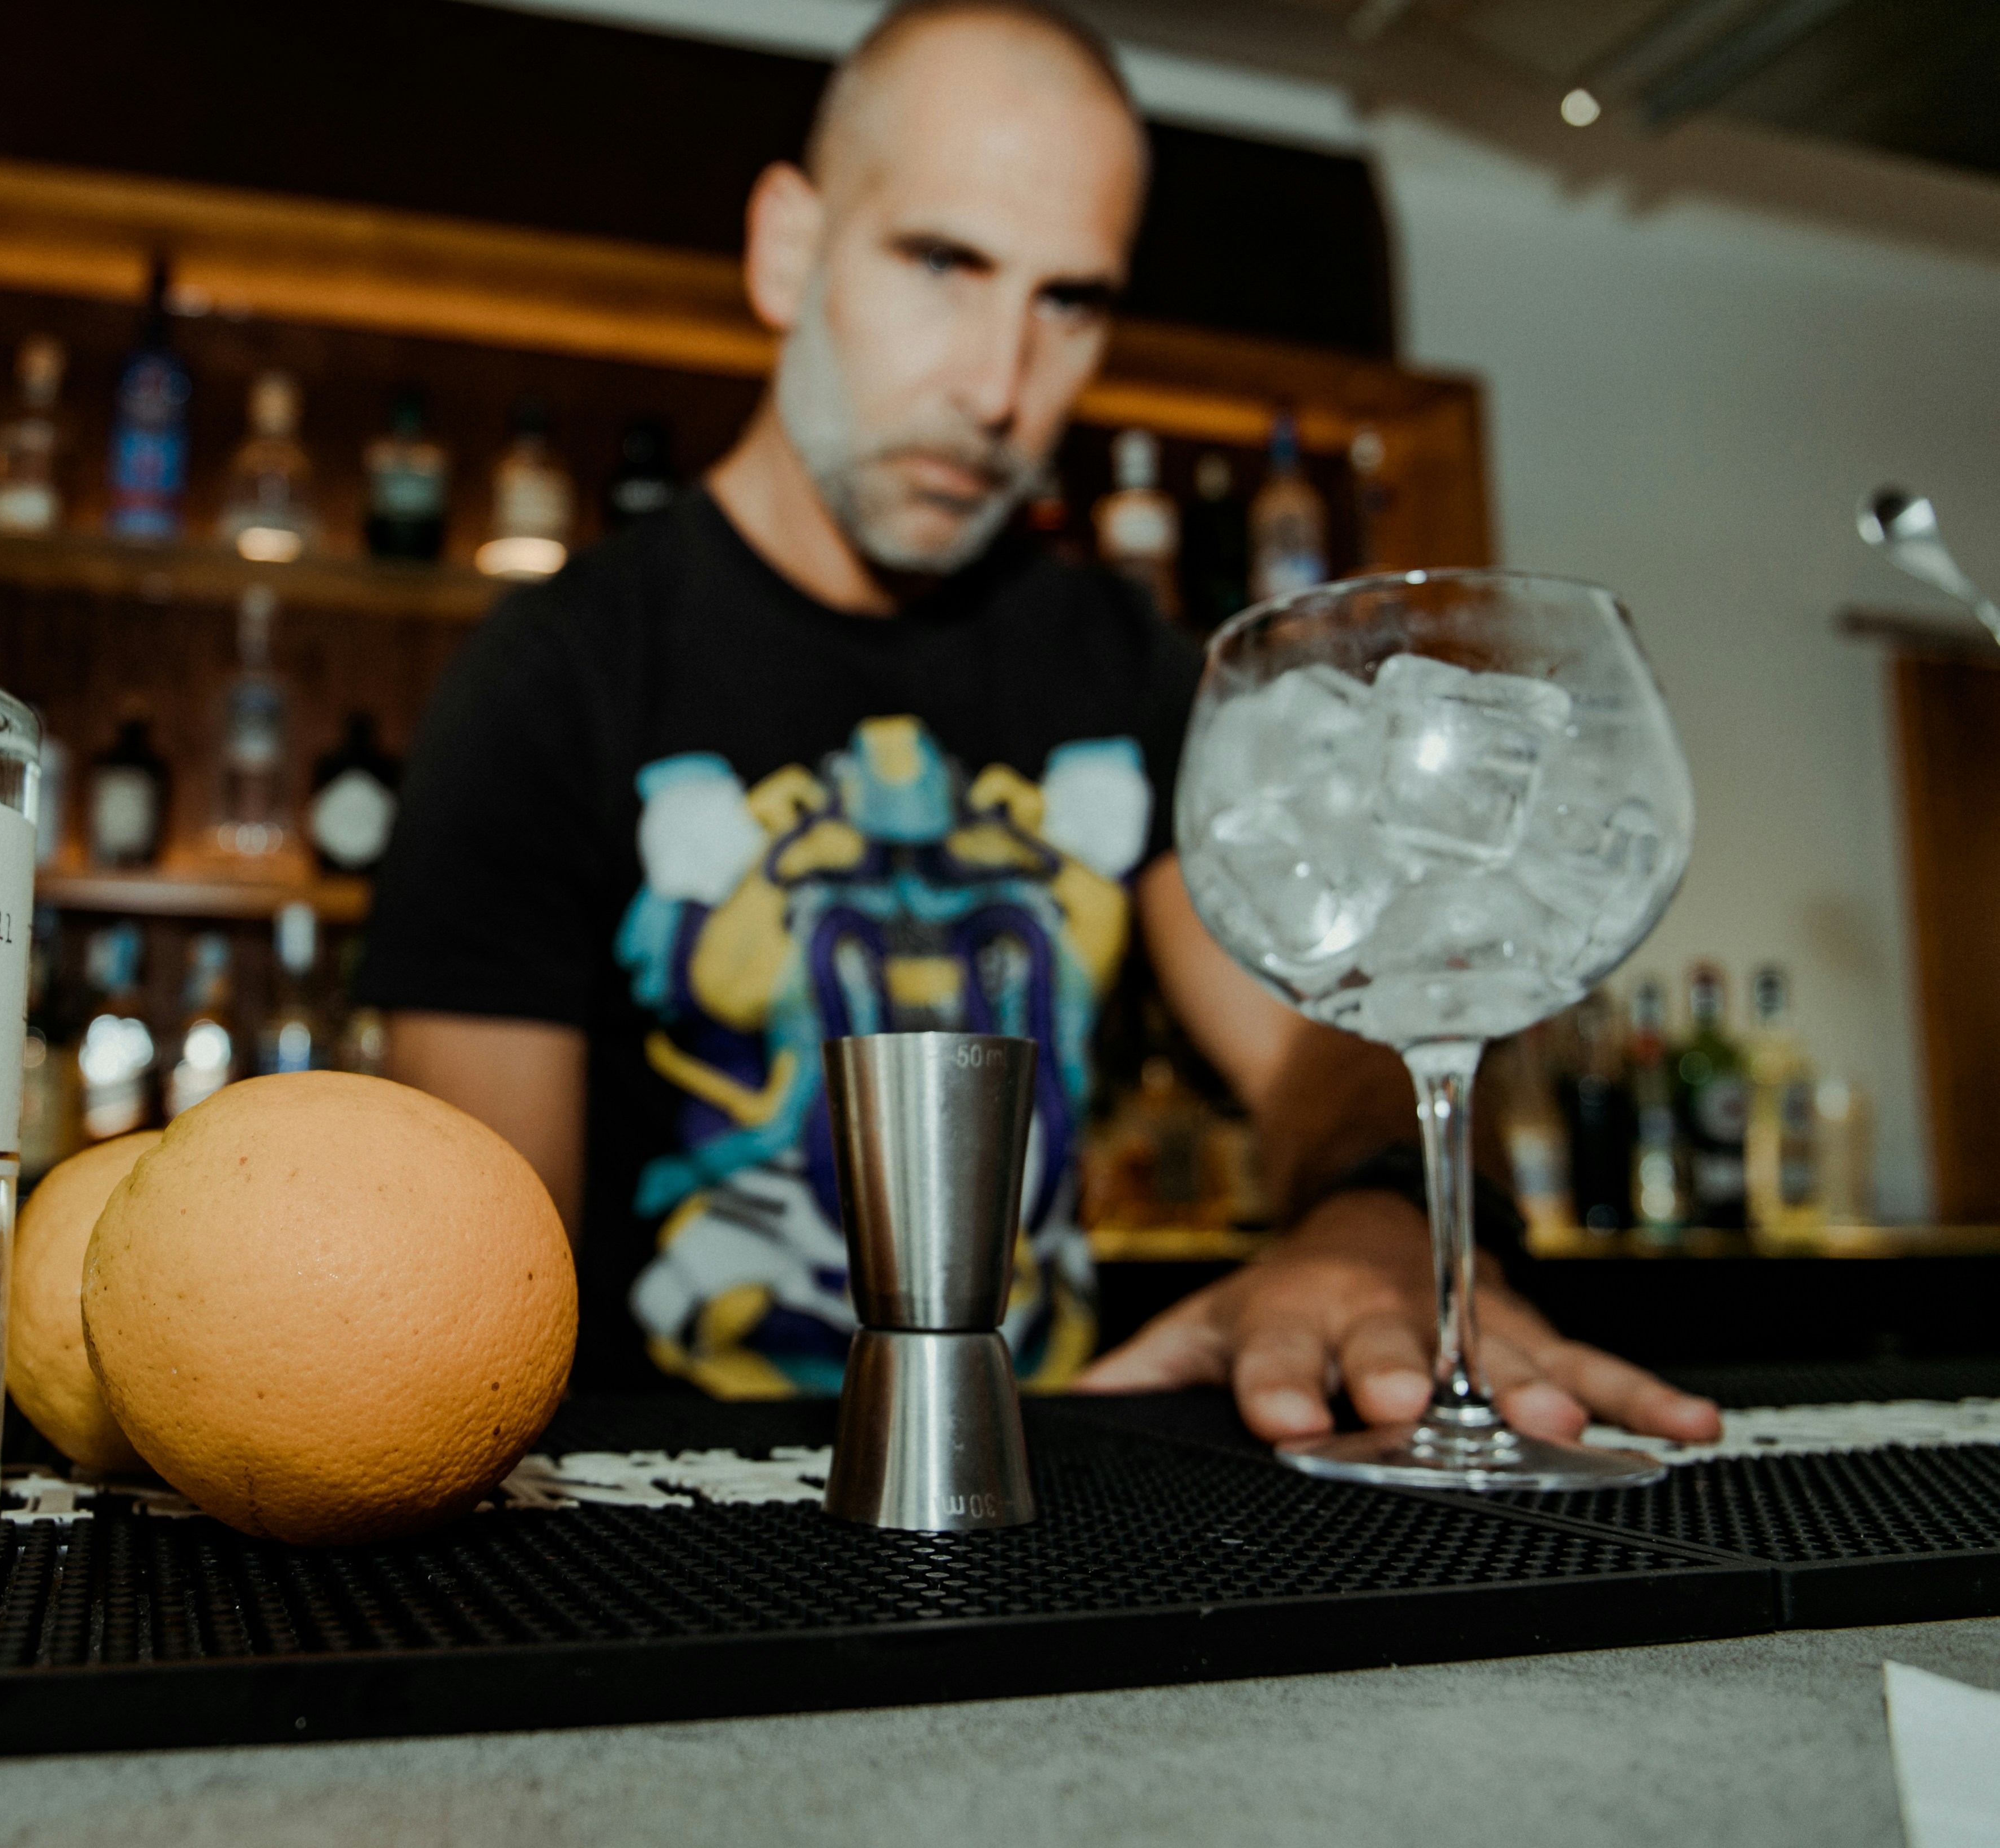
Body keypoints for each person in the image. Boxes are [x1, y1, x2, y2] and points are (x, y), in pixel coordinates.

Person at [358, 0, 1720, 1450]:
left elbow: (1337, 1017)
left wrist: (1373, 1223)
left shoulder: (1124, 673)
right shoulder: (556, 674)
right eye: (941, 263)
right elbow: (470, 1298)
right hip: (663, 1525)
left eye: (1067, 301)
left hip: (1039, 1494)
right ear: (786, 249)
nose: (998, 391)